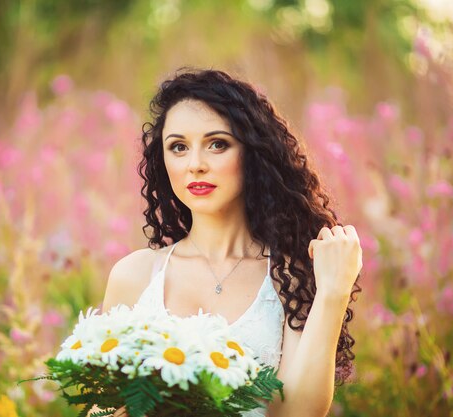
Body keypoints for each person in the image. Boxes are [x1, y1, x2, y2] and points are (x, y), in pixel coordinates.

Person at [99, 68, 362, 417]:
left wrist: (333, 292)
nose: (195, 165)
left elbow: (299, 413)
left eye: (217, 144)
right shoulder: (133, 276)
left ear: (252, 153)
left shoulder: (289, 276)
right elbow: (98, 408)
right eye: (178, 147)